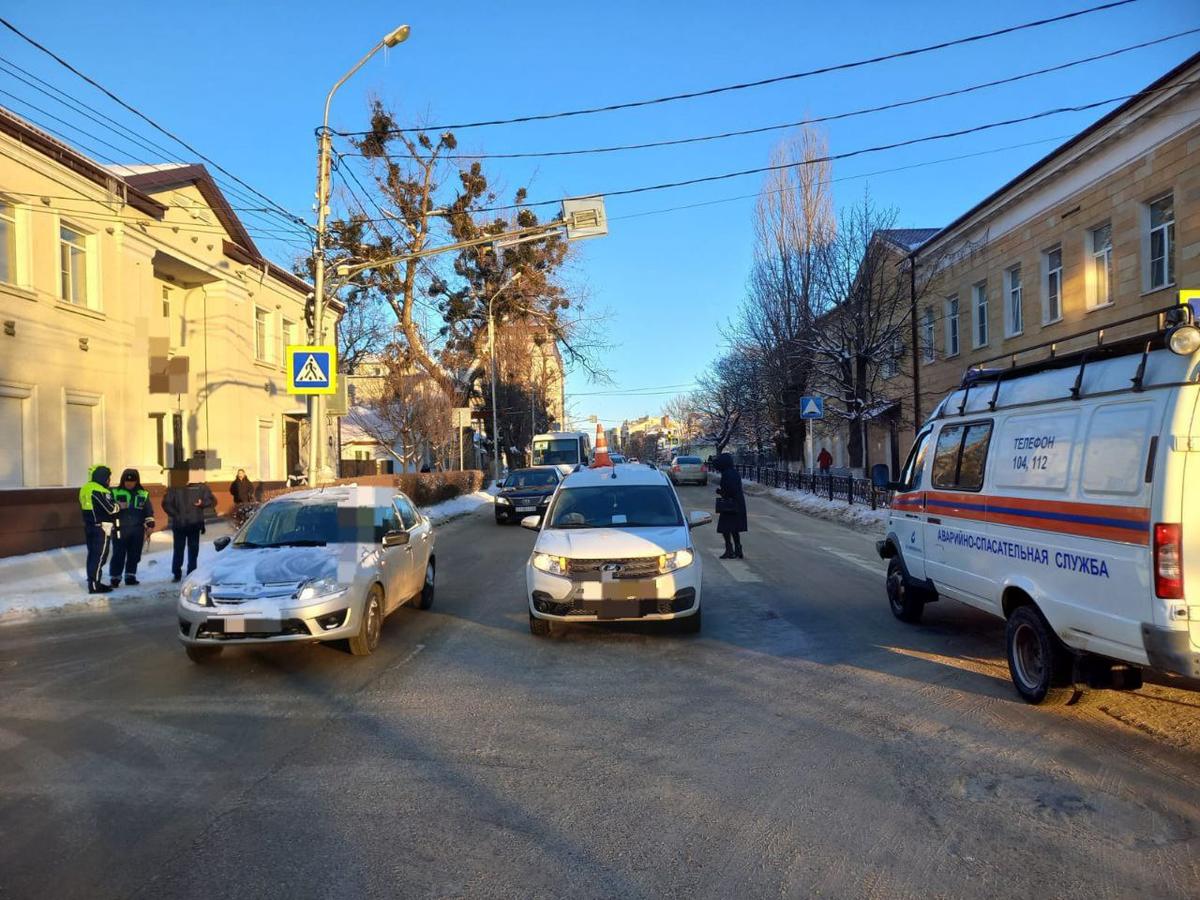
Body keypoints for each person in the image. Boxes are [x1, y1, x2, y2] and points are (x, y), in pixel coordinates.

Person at [162, 469, 216, 582]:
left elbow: (212, 501)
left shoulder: (201, 487)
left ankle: (191, 572)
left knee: (193, 550)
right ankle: (176, 573)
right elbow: (166, 503)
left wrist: (203, 503)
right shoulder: (175, 488)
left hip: (194, 523)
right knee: (178, 549)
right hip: (179, 525)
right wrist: (176, 514)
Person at [109, 468, 155, 587]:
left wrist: (150, 524)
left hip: (137, 529)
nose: (129, 483)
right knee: (118, 554)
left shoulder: (142, 494)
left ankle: (130, 576)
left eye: (132, 481)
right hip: (120, 529)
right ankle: (115, 577)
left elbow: (148, 511)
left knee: (134, 554)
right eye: (126, 481)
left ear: (137, 481)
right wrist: (117, 506)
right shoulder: (114, 492)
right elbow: (107, 509)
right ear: (122, 481)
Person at [79, 464, 119, 594]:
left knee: (92, 555)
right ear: (103, 478)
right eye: (108, 478)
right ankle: (95, 585)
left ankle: (93, 581)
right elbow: (111, 509)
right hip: (102, 528)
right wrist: (119, 505)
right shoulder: (99, 490)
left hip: (90, 526)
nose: (109, 481)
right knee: (100, 556)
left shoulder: (85, 488)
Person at [712, 453, 747, 560]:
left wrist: (721, 491)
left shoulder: (727, 474)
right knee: (734, 528)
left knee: (725, 528)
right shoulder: (734, 472)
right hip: (738, 504)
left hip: (729, 505)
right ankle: (738, 549)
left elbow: (729, 490)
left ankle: (729, 550)